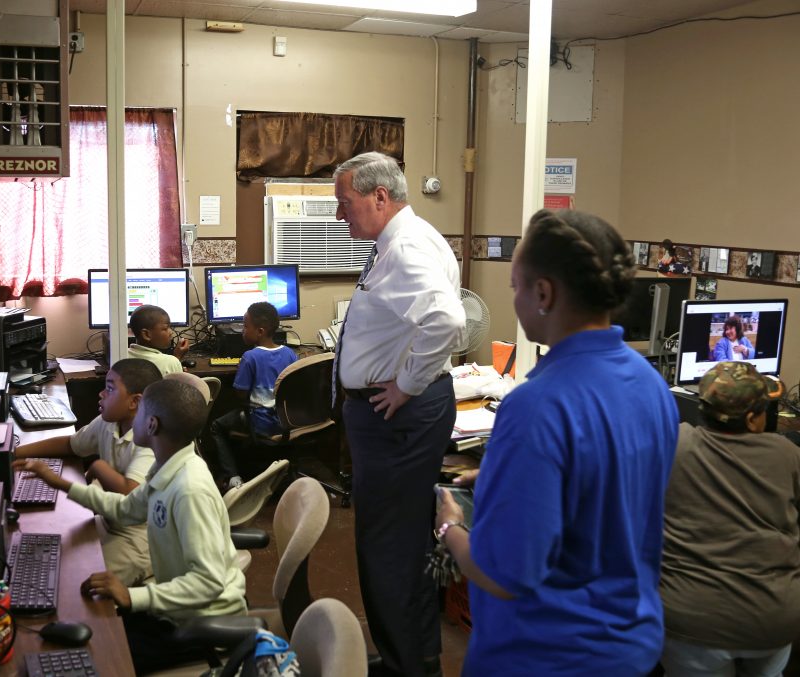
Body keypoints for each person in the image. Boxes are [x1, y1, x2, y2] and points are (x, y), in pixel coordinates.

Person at [435, 209, 679, 675]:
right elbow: (607, 486)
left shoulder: (536, 407)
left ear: (543, 292)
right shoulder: (650, 386)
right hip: (630, 644)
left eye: (515, 286)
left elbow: (504, 574)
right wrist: (507, 477)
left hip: (546, 654)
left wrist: (450, 530)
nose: (515, 298)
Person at [333, 151, 465, 677]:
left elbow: (447, 320)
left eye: (346, 203)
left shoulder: (407, 247)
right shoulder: (405, 239)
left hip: (397, 417)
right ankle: (410, 656)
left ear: (379, 196)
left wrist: (407, 385)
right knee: (398, 540)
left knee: (389, 545)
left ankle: (408, 665)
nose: (340, 215)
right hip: (393, 416)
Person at [15, 379, 247, 674]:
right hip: (178, 607)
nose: (131, 419)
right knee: (93, 626)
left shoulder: (189, 490)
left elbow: (209, 581)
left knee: (100, 655)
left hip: (203, 622)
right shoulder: (167, 467)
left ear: (151, 425)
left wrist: (133, 595)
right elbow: (126, 509)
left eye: (138, 414)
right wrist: (60, 483)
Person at [660, 361, 800, 677]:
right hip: (771, 618)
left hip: (692, 620)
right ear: (753, 419)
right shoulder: (786, 454)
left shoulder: (675, 444)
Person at [14, 358, 162, 585]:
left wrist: (98, 468)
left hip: (140, 538)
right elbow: (71, 445)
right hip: (110, 519)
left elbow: (131, 493)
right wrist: (14, 452)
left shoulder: (149, 442)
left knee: (77, 583)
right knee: (51, 551)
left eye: (110, 389)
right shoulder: (110, 422)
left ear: (135, 402)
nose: (101, 394)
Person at [210, 301, 297, 490]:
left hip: (262, 421)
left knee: (217, 425)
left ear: (260, 331)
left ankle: (233, 477)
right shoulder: (290, 354)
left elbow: (241, 394)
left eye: (245, 326)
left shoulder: (250, 357)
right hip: (286, 421)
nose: (242, 330)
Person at [128, 304, 189, 375]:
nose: (171, 332)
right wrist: (176, 360)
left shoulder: (122, 355)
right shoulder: (170, 362)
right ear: (146, 334)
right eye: (166, 328)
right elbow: (176, 385)